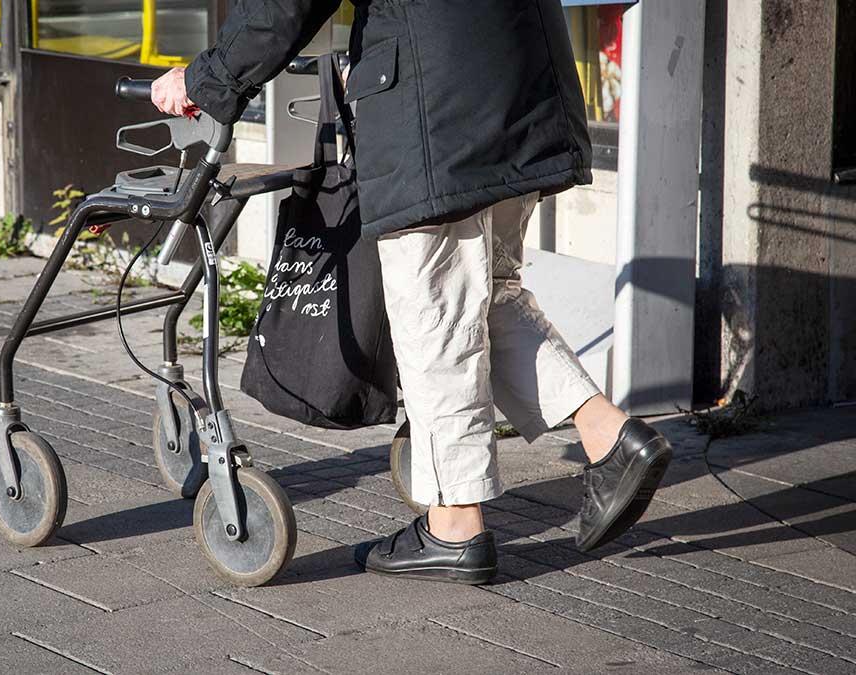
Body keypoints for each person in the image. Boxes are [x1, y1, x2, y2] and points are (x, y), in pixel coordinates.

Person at [150, 0, 673, 585]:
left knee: (438, 314)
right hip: (521, 80)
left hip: (435, 107)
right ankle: (612, 439)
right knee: (486, 295)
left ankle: (454, 525)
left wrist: (209, 77)